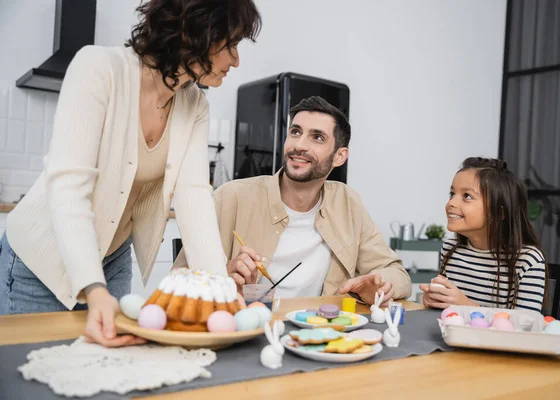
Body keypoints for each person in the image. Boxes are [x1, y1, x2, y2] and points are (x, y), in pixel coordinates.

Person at [0, 0, 262, 347]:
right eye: (231, 44)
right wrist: (93, 290)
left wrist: (223, 296)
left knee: (106, 369)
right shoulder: (99, 68)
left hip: (113, 260)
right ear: (194, 31)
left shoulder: (195, 105)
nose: (236, 60)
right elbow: (68, 186)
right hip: (42, 263)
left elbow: (194, 198)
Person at [174, 96, 412, 305]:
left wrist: (380, 286)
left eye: (317, 137)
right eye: (295, 132)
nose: (299, 145)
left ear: (340, 156)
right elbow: (176, 283)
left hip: (320, 338)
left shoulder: (348, 202)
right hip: (244, 334)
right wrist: (221, 279)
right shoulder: (230, 197)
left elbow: (397, 274)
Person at [420, 157, 547, 312]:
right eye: (452, 193)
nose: (451, 203)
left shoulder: (527, 260)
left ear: (498, 212)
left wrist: (467, 306)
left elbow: (525, 325)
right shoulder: (450, 249)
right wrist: (435, 300)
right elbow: (449, 312)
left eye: (467, 196)